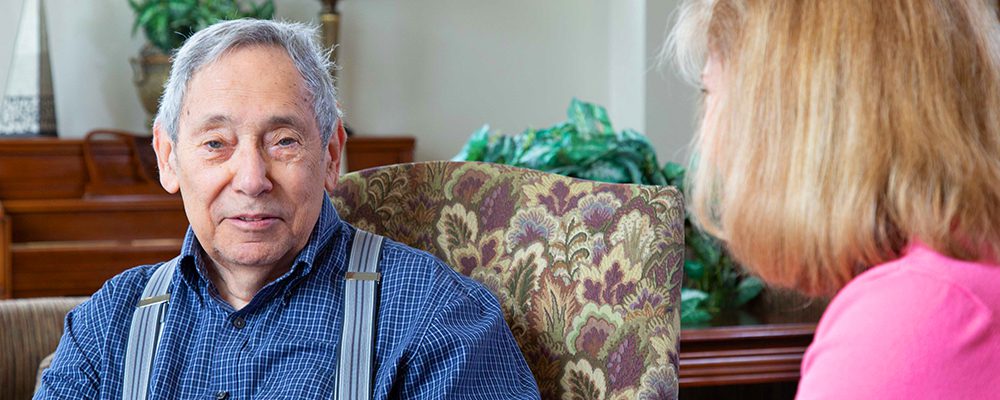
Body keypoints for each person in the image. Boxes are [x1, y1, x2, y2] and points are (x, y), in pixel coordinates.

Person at [36, 19, 540, 399]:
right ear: (168, 159)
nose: (252, 179)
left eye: (283, 141)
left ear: (331, 155)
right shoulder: (107, 324)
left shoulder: (437, 317)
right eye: (216, 143)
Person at [668, 0, 1000, 398]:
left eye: (711, 92)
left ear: (792, 117)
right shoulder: (964, 273)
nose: (708, 139)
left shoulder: (913, 320)